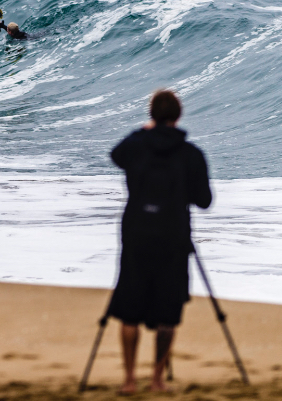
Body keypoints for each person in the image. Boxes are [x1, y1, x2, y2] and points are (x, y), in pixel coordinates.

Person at [108, 90, 213, 394]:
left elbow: (116, 155)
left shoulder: (137, 148)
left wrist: (141, 131)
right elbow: (204, 201)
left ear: (152, 117)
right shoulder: (191, 154)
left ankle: (129, 379)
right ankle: (156, 380)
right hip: (174, 237)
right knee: (168, 311)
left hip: (136, 234)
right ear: (178, 116)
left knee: (129, 307)